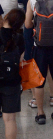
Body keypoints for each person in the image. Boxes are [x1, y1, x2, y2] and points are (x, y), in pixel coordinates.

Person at [0, 8, 25, 139]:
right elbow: (21, 61)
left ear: (6, 17)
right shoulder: (19, 39)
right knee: (9, 119)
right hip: (12, 83)